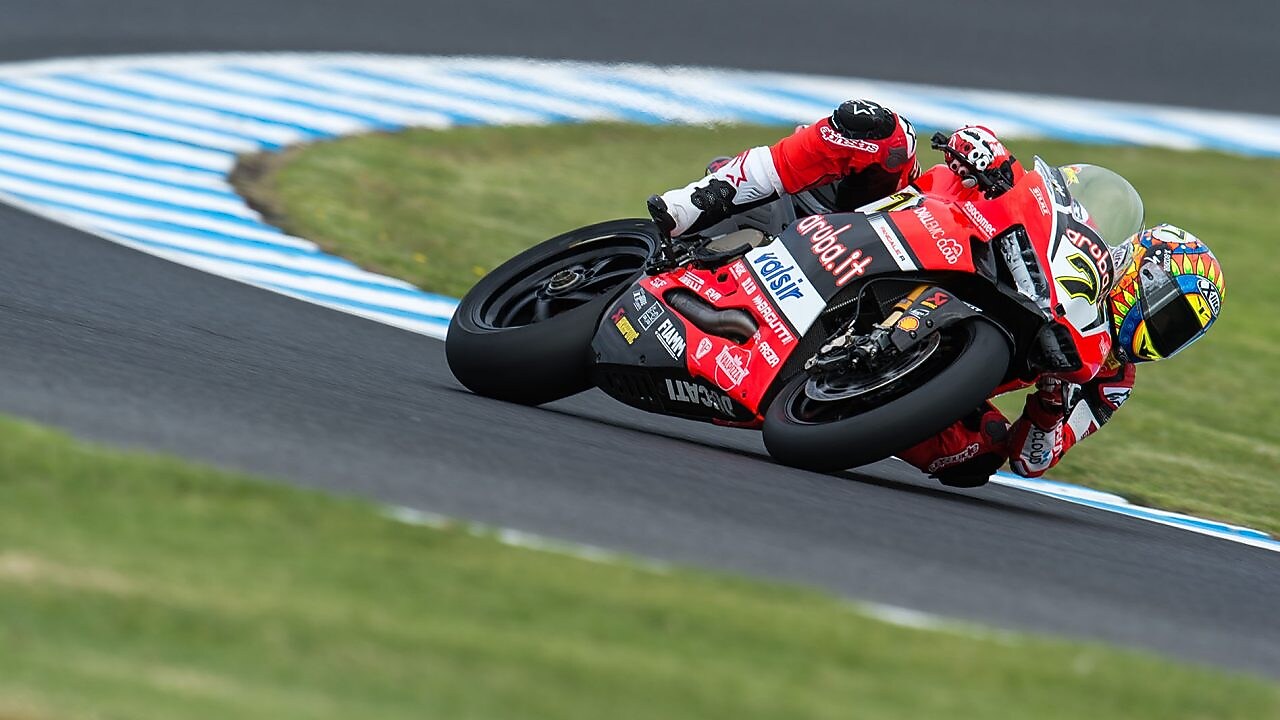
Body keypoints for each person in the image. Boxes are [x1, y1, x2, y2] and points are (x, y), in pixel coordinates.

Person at [649, 115, 1226, 487]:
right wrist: (984, 156)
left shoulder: (1110, 381)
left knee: (981, 456)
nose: (1159, 330)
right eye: (1166, 311)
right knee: (875, 128)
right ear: (1139, 271)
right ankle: (700, 201)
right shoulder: (1080, 252)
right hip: (896, 219)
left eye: (1177, 332)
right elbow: (1018, 177)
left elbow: (1033, 459)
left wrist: (1052, 400)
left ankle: (850, 402)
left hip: (941, 353)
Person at [646, 99, 920, 238]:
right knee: (748, 172)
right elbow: (777, 162)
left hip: (872, 223)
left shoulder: (895, 151)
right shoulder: (824, 140)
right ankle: (688, 208)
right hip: (812, 203)